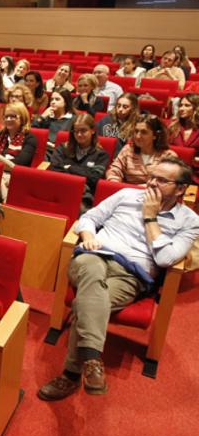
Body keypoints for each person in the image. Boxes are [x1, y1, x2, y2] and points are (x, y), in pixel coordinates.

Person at [38, 157, 199, 400]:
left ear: (180, 189)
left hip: (131, 275)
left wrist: (150, 218)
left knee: (87, 303)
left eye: (162, 180)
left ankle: (75, 371)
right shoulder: (125, 195)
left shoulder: (190, 222)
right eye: (152, 177)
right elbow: (89, 218)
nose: (152, 184)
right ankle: (85, 364)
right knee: (91, 276)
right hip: (94, 256)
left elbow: (167, 258)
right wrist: (88, 235)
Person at [49, 114, 109, 211]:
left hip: (83, 197)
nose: (79, 134)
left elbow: (94, 178)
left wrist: (70, 168)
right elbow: (54, 169)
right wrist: (83, 173)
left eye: (83, 130)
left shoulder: (101, 155)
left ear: (92, 130)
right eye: (76, 131)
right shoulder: (63, 148)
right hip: (59, 191)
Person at [0, 102, 37, 200]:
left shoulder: (29, 138)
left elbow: (20, 163)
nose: (8, 119)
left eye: (13, 116)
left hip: (14, 176)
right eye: (6, 116)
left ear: (22, 118)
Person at [107, 115, 177, 184]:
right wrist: (114, 181)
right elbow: (114, 170)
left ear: (155, 135)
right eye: (136, 131)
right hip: (129, 192)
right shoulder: (128, 150)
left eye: (144, 132)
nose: (138, 136)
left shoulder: (168, 156)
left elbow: (171, 183)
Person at [32, 89, 76, 160]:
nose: (53, 102)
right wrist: (42, 117)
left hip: (58, 153)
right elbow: (32, 132)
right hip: (40, 149)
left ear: (65, 102)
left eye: (57, 99)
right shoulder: (45, 117)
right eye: (52, 99)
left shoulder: (73, 120)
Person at [167, 93, 199, 183]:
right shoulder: (172, 126)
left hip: (195, 175)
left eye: (187, 105)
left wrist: (193, 159)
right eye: (180, 105)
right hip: (172, 173)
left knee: (190, 196)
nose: (181, 108)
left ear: (196, 108)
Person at [96, 92, 140, 157]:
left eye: (125, 107)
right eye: (118, 105)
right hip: (101, 156)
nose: (120, 109)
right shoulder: (106, 120)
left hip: (122, 159)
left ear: (133, 108)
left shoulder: (136, 124)